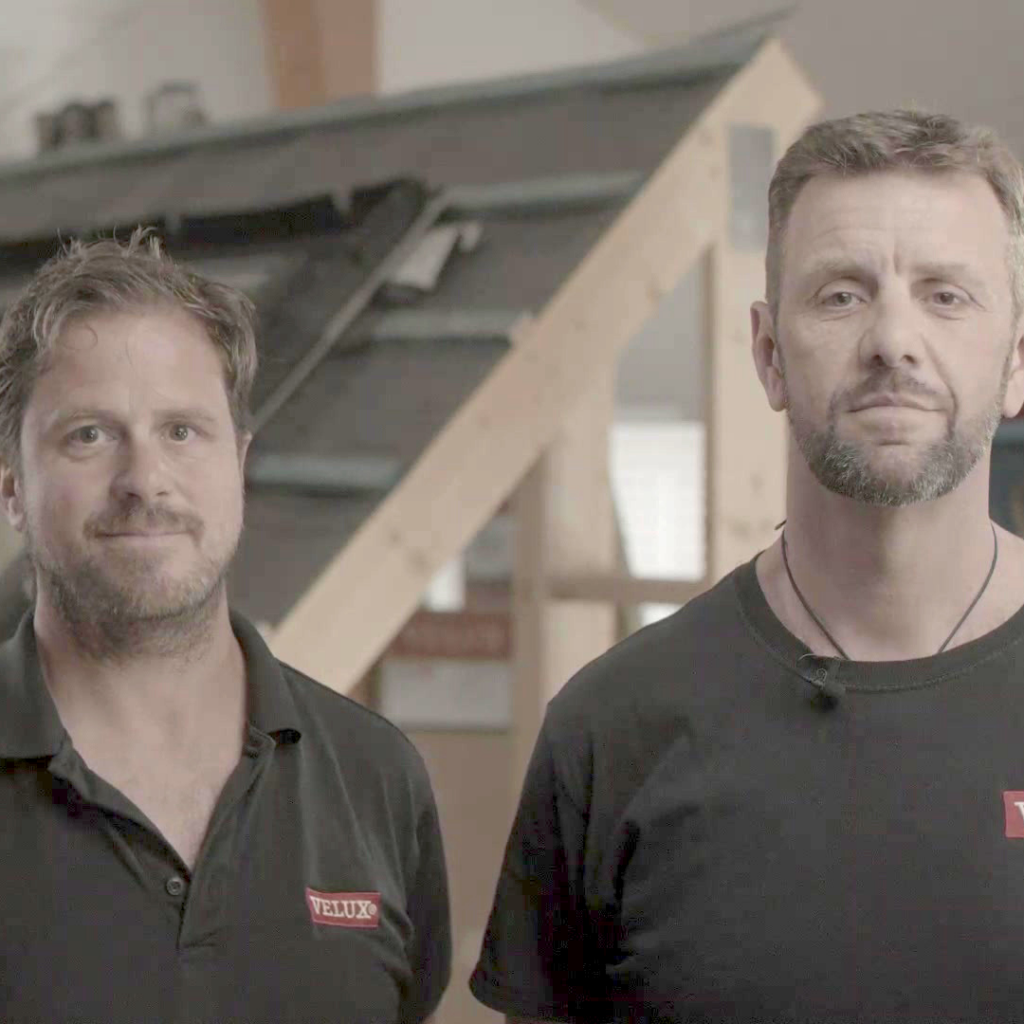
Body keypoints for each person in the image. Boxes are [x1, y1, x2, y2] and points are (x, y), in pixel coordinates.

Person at [470, 109, 1024, 1023]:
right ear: (768, 355)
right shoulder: (614, 727)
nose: (893, 339)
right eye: (841, 295)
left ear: (1015, 361)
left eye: (946, 295)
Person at [0, 231, 450, 1024]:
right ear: (12, 488)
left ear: (237, 462)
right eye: (89, 435)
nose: (145, 481)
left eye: (181, 431)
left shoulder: (377, 778)